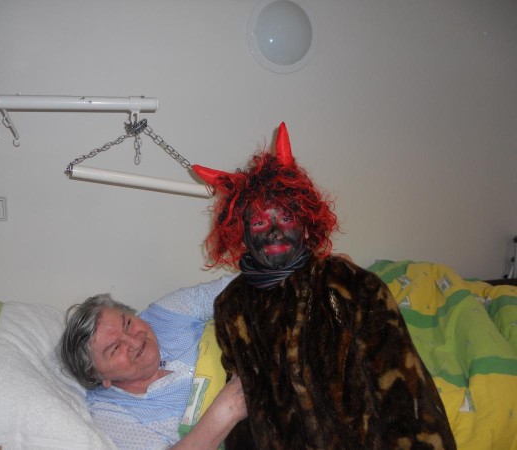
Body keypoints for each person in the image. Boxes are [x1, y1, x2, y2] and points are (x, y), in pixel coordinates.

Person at [191, 123, 457, 449]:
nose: (274, 230)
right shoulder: (231, 306)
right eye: (259, 222)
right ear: (242, 235)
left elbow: (408, 397)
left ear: (306, 225)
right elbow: (246, 410)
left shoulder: (351, 284)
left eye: (285, 218)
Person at [60, 276, 247, 450]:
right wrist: (228, 409)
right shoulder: (112, 413)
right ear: (98, 375)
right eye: (115, 348)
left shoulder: (164, 315)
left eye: (128, 324)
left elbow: (243, 289)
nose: (134, 341)